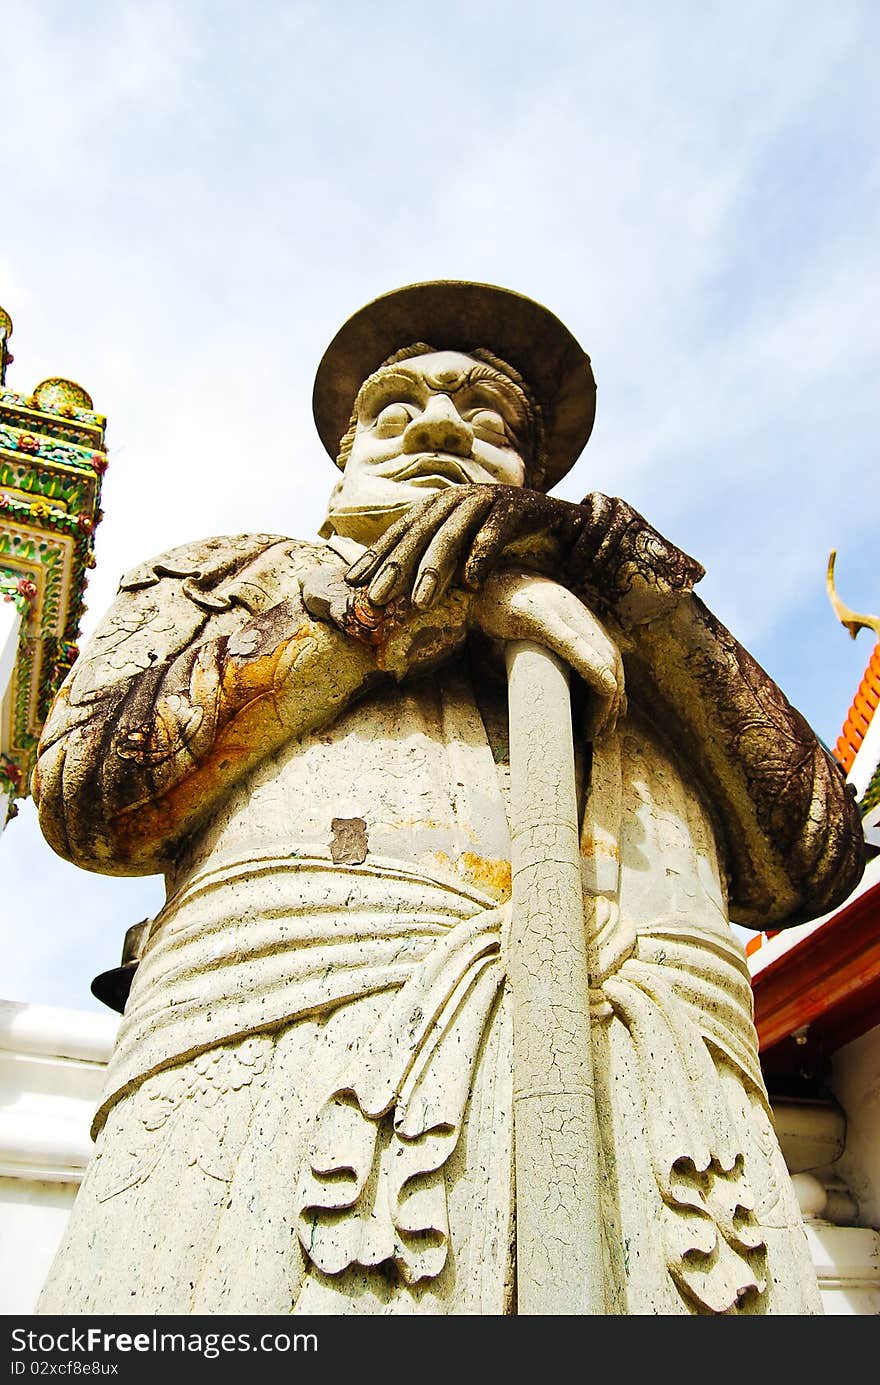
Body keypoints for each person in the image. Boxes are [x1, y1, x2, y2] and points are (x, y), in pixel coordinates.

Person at [34, 282, 864, 1315]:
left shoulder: (642, 628)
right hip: (301, 1066)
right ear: (346, 453)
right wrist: (408, 598)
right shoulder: (233, 575)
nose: (438, 424)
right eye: (396, 408)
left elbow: (814, 852)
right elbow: (88, 795)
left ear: (527, 469)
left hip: (659, 1123)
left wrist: (619, 575)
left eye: (485, 417)